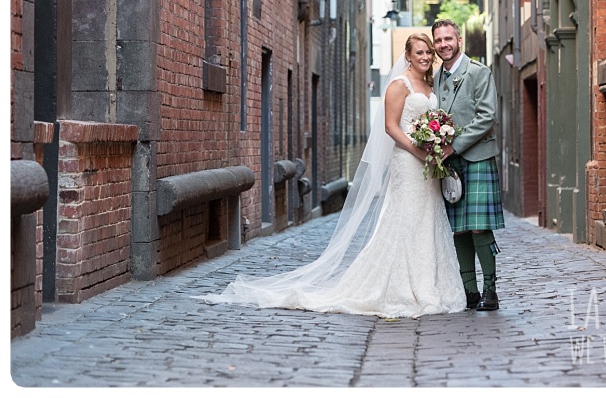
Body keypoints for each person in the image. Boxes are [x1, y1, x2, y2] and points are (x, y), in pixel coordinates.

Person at [200, 33, 466, 318]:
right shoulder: (398, 85)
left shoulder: (428, 83)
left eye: (428, 52)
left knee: (427, 219)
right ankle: (402, 286)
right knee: (405, 219)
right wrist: (419, 151)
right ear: (408, 55)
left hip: (428, 167)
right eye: (419, 53)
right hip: (409, 162)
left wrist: (436, 144)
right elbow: (391, 127)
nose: (425, 57)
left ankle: (430, 284)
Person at [431, 18, 505, 311]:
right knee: (459, 228)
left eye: (448, 39)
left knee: (479, 227)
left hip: (476, 158)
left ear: (459, 40)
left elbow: (487, 116)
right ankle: (469, 291)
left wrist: (454, 145)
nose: (443, 45)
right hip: (449, 164)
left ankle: (490, 290)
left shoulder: (478, 72)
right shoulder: (435, 77)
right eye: (438, 40)